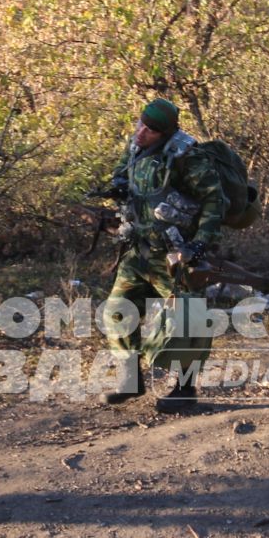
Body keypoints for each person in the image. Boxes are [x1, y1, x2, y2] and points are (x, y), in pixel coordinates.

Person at [97, 98, 229, 414]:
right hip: (139, 249)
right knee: (117, 311)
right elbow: (124, 175)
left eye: (151, 130)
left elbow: (215, 202)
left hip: (175, 253)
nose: (142, 132)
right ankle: (130, 381)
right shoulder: (135, 147)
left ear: (166, 133)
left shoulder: (187, 158)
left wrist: (198, 244)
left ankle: (185, 389)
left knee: (188, 322)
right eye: (141, 124)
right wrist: (117, 188)